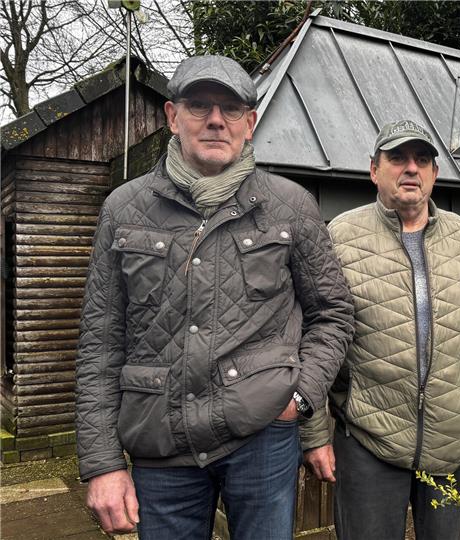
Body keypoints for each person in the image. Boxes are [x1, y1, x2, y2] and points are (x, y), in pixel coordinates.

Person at [75, 55, 354, 540]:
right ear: (171, 116)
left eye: (230, 108)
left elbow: (332, 313)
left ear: (250, 124)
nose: (215, 120)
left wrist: (300, 397)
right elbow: (100, 342)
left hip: (262, 435)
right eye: (199, 105)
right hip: (160, 445)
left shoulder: (290, 205)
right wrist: (101, 463)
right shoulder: (123, 208)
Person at [301, 119, 460, 539]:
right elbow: (312, 331)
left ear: (435, 173)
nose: (410, 168)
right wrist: (314, 432)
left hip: (448, 439)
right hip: (367, 437)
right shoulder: (341, 236)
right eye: (397, 158)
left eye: (422, 159)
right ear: (374, 171)